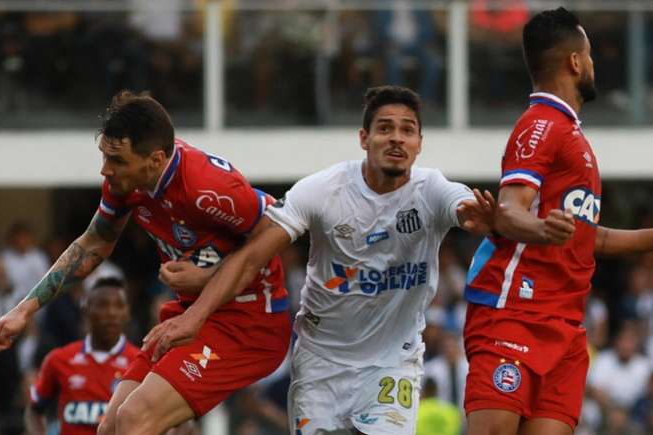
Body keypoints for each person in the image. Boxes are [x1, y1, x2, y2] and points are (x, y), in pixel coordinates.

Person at [143, 85, 493, 434]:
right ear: (364, 138)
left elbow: (464, 206)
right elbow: (252, 257)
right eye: (385, 128)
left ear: (419, 143)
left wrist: (485, 219)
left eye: (407, 130)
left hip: (392, 364)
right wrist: (194, 316)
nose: (396, 139)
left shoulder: (431, 190)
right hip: (321, 362)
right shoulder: (324, 190)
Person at [461, 8, 653, 435]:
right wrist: (540, 229)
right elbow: (510, 209)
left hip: (566, 328)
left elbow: (597, 239)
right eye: (589, 55)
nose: (593, 63)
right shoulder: (539, 124)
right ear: (575, 62)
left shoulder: (577, 140)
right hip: (516, 312)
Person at [0, 91, 291, 435]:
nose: (105, 169)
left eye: (116, 160)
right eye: (104, 155)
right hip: (195, 313)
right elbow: (95, 242)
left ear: (156, 159)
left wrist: (205, 283)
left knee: (135, 421)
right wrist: (24, 310)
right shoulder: (126, 183)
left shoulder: (207, 187)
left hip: (249, 325)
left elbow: (276, 231)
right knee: (111, 427)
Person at [25, 277, 139, 435]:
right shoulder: (59, 359)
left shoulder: (141, 363)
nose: (112, 313)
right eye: (103, 305)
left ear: (127, 313)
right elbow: (34, 410)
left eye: (119, 305)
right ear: (86, 310)